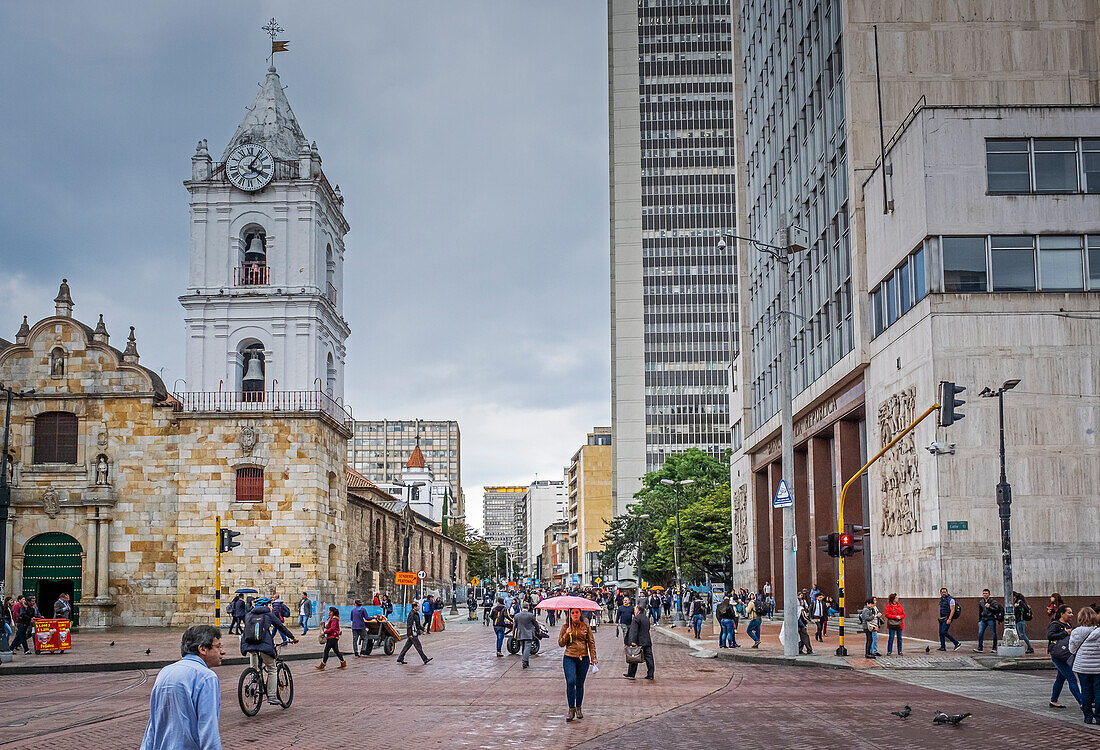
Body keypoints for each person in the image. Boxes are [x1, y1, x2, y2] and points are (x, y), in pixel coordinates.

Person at [140, 625, 225, 750]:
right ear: (202, 649)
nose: (222, 651)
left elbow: (153, 724)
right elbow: (208, 730)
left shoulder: (165, 672)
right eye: (217, 647)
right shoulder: (206, 677)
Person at [240, 597, 298, 704]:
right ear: (265, 606)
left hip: (250, 645)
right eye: (270, 605)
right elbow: (281, 627)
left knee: (254, 667)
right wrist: (293, 638)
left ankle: (254, 677)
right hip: (263, 646)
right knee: (272, 668)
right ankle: (271, 695)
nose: (271, 607)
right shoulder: (268, 615)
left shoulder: (249, 615)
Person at [559, 607, 597, 722]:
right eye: (573, 613)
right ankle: (571, 709)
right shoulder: (566, 627)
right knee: (571, 682)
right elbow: (561, 643)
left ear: (580, 613)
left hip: (583, 658)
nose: (575, 614)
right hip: (569, 657)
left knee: (580, 684)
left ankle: (579, 708)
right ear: (570, 615)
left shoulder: (586, 627)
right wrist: (567, 634)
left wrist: (593, 657)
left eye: (577, 612)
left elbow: (591, 642)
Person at [1069, 606, 1100, 724]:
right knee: (1098, 692)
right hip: (1098, 667)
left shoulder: (1076, 632)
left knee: (1085, 691)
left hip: (1082, 667)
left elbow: (1072, 650)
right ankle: (1098, 717)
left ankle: (1087, 717)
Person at [1048, 604, 1082, 709]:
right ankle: (1082, 702)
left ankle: (1053, 700)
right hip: (1058, 655)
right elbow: (1050, 636)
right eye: (1069, 612)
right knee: (1072, 679)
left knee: (1060, 678)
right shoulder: (1056, 624)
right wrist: (1065, 633)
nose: (1071, 614)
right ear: (1062, 614)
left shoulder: (1068, 624)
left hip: (1066, 655)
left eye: (1072, 612)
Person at [624, 603, 654, 680]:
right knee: (649, 658)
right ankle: (650, 674)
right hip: (647, 640)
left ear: (638, 610)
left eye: (635, 609)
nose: (634, 611)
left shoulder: (636, 618)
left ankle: (631, 674)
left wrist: (632, 641)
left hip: (638, 640)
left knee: (634, 656)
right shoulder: (646, 618)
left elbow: (634, 631)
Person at [396, 599, 432, 665]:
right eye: (418, 606)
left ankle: (400, 658)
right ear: (414, 607)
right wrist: (409, 634)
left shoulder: (416, 614)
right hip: (413, 633)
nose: (419, 607)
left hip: (414, 632)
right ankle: (425, 659)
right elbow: (409, 624)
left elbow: (417, 624)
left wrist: (422, 628)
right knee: (418, 646)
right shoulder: (412, 614)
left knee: (406, 647)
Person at [974, 588, 1002, 653]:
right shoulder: (981, 602)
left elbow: (996, 609)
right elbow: (980, 611)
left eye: (986, 593)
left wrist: (989, 607)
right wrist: (979, 620)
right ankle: (980, 648)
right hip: (983, 620)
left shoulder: (993, 601)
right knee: (980, 633)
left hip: (991, 619)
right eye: (983, 593)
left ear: (989, 594)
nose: (984, 595)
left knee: (993, 633)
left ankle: (994, 648)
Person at [514, 603, 539, 669]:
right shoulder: (531, 615)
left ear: (521, 608)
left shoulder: (517, 616)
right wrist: (538, 631)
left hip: (520, 634)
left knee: (523, 648)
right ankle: (525, 661)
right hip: (528, 634)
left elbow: (514, 626)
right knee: (527, 648)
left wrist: (514, 634)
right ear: (528, 608)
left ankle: (526, 661)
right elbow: (536, 624)